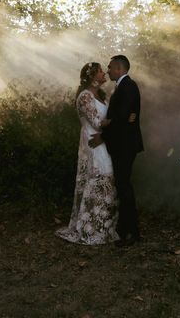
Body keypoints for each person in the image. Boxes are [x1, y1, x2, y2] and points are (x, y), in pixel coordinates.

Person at [55, 62, 120, 245]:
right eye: (100, 71)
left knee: (107, 180)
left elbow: (104, 121)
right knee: (99, 178)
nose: (103, 73)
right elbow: (97, 122)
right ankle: (89, 227)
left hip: (103, 141)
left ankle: (103, 226)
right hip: (93, 142)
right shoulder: (85, 97)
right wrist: (120, 119)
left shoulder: (101, 96)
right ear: (92, 76)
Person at [89, 55, 143, 247]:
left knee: (124, 186)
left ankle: (131, 232)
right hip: (123, 144)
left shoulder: (128, 87)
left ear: (120, 69)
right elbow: (122, 117)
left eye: (110, 67)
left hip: (125, 146)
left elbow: (121, 118)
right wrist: (119, 119)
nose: (108, 70)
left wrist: (103, 135)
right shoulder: (123, 87)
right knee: (122, 186)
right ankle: (125, 229)